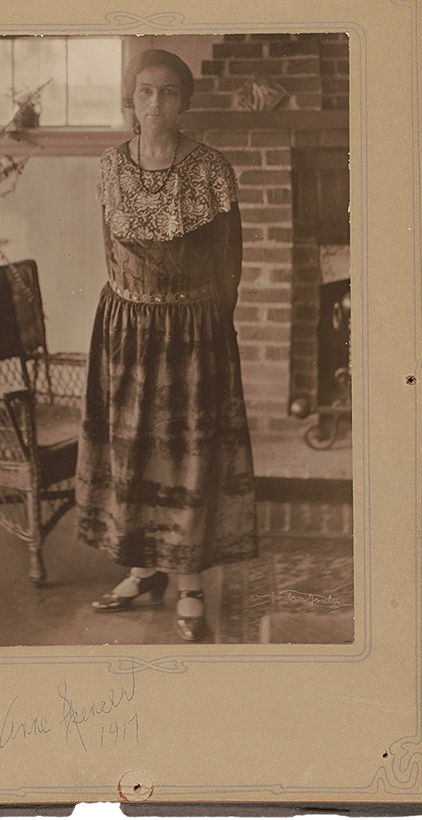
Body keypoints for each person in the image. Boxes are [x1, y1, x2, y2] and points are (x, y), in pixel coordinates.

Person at [75, 49, 256, 641]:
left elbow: (230, 260)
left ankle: (190, 583)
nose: (157, 104)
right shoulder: (109, 166)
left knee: (188, 457)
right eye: (146, 92)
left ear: (185, 102)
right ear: (130, 100)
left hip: (194, 333)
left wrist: (208, 329)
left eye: (170, 92)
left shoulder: (211, 169)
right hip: (128, 330)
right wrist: (130, 311)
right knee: (134, 455)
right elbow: (110, 247)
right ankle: (142, 567)